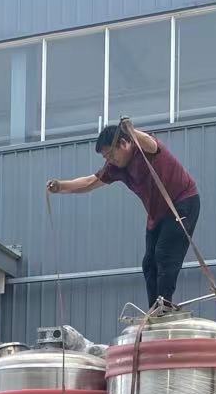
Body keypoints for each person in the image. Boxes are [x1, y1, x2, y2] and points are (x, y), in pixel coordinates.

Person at [46, 119, 200, 312]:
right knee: (149, 262)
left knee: (164, 254)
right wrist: (61, 186)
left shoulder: (143, 149)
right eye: (105, 157)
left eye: (111, 154)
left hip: (182, 202)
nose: (110, 160)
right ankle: (155, 309)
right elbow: (89, 182)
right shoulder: (116, 168)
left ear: (125, 143)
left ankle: (164, 306)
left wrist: (132, 131)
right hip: (157, 214)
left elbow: (151, 144)